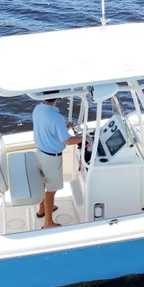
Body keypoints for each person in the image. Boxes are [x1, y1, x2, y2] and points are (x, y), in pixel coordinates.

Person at [32, 96, 88, 229]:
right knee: (51, 190)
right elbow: (68, 141)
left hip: (40, 153)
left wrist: (64, 127)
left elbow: (48, 129)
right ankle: (48, 223)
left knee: (43, 183)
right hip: (52, 159)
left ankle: (42, 209)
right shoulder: (57, 117)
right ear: (56, 98)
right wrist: (85, 138)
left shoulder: (37, 109)